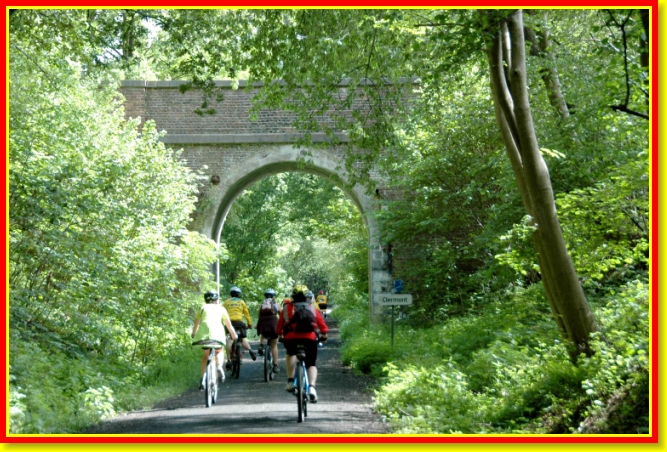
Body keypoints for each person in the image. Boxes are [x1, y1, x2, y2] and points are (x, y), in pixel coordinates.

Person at [277, 284, 328, 403]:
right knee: (311, 364)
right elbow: (323, 326)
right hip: (310, 339)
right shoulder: (313, 308)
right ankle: (312, 388)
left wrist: (280, 336)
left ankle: (290, 381)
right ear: (307, 296)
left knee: (290, 354)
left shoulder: (286, 308)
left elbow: (279, 328)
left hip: (291, 339)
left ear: (293, 295)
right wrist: (324, 336)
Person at [191, 290, 237, 389]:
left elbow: (196, 324)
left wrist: (193, 333)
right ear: (216, 299)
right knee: (219, 351)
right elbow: (229, 326)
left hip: (204, 336)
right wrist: (234, 336)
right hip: (217, 335)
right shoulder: (221, 308)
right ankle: (219, 366)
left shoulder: (202, 308)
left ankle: (202, 378)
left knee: (205, 356)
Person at [222, 286, 256, 369]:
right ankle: (250, 350)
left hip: (229, 323)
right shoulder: (241, 302)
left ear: (231, 294)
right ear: (239, 294)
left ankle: (228, 360)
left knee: (230, 340)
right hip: (239, 323)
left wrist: (221, 322)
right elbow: (246, 313)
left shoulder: (226, 302)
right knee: (242, 339)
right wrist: (249, 324)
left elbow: (221, 311)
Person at [256, 288, 280, 374]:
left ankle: (261, 345)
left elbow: (259, 317)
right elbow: (282, 316)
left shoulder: (261, 305)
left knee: (264, 332)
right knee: (274, 345)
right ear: (273, 296)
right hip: (273, 326)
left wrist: (258, 325)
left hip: (263, 325)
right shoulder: (276, 305)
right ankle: (275, 365)